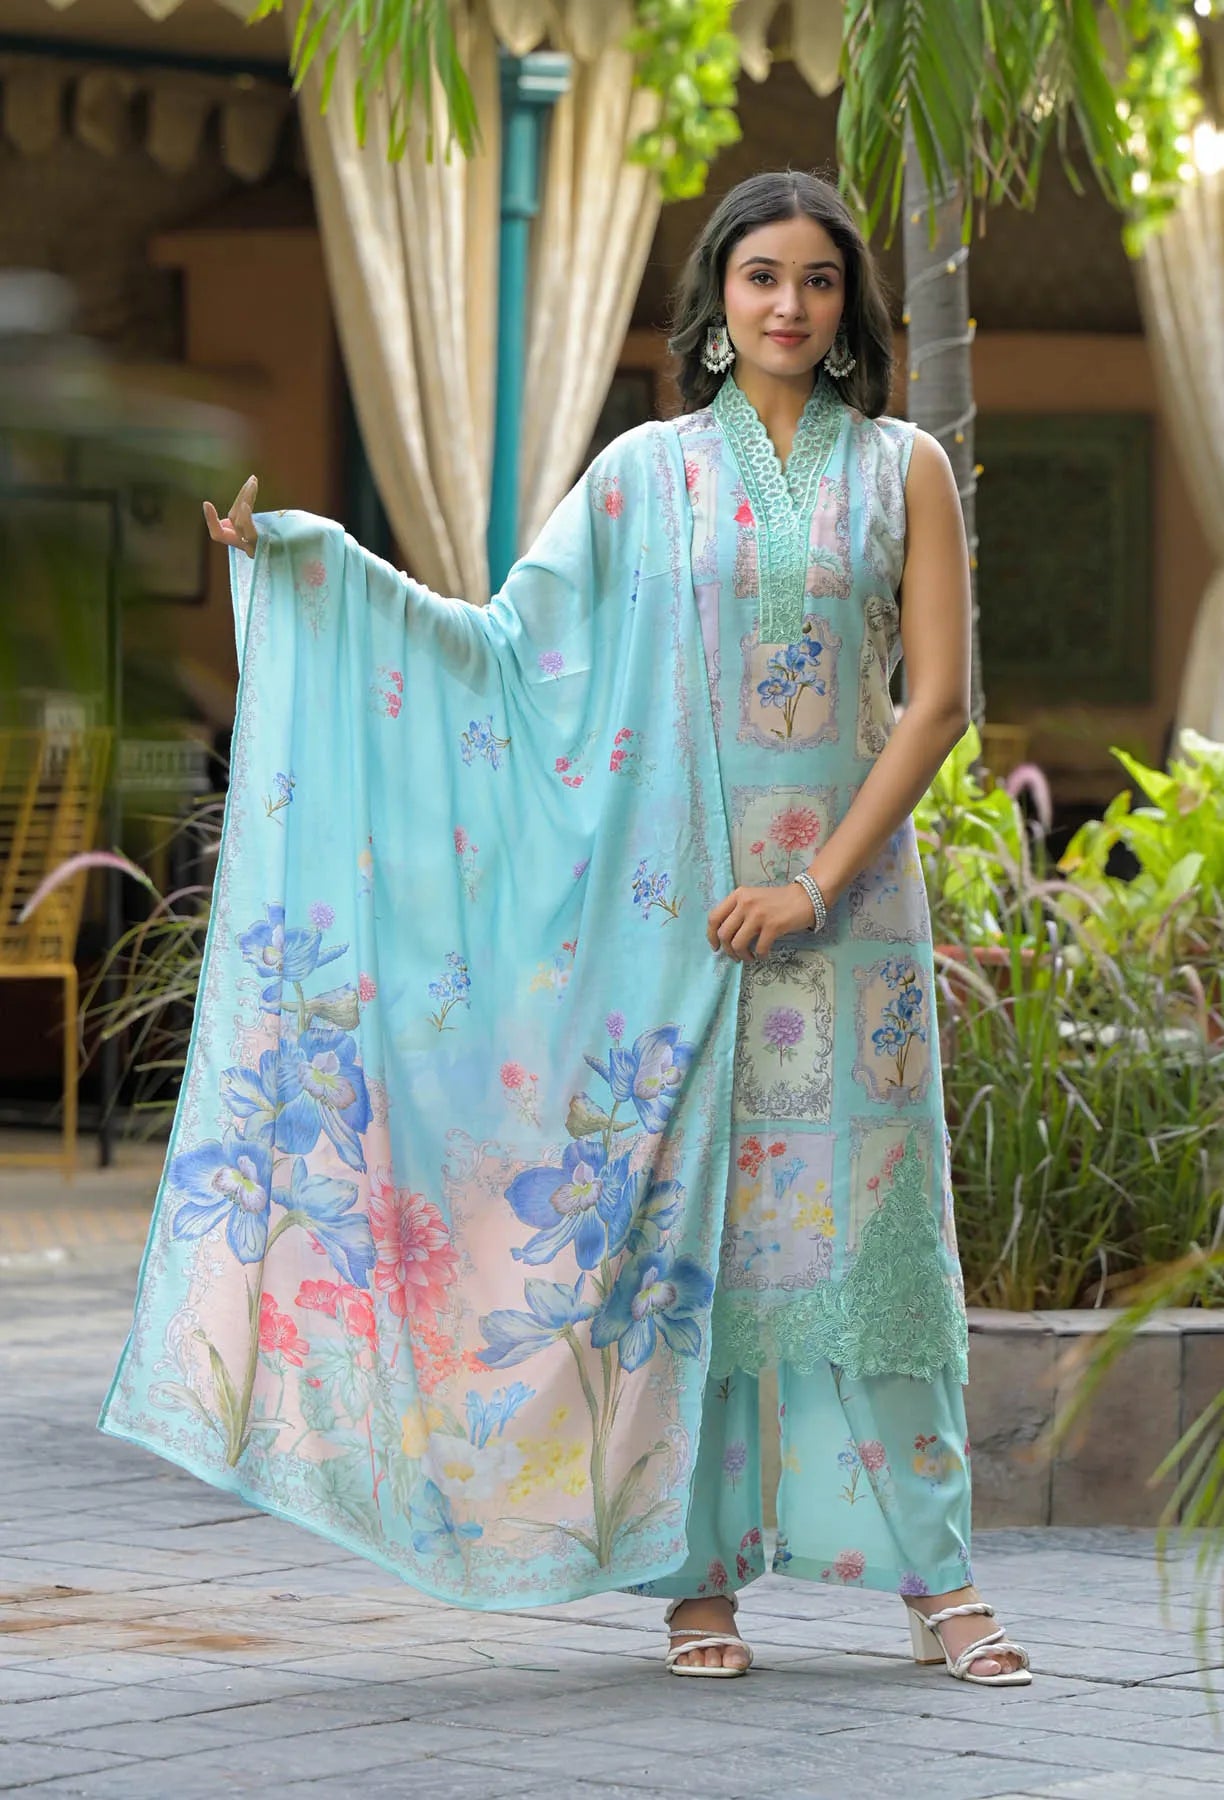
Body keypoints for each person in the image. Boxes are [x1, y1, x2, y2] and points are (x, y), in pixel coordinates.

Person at [104, 170, 1028, 1689]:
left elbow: (934, 704)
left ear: (848, 305)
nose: (788, 305)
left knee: (872, 1253)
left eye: (813, 281)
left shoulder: (903, 468)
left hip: (846, 931)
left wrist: (813, 883)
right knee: (696, 1250)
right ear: (717, 305)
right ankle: (697, 1583)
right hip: (677, 931)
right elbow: (502, 649)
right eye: (758, 279)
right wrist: (321, 567)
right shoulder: (642, 476)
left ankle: (936, 1579)